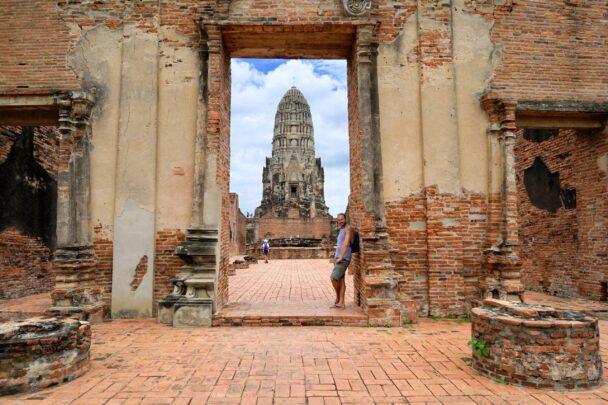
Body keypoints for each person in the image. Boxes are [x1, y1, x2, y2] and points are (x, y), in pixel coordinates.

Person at [330, 213, 354, 309]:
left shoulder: (349, 229)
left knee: (333, 278)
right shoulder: (341, 230)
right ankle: (341, 303)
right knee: (341, 280)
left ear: (345, 218)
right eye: (339, 220)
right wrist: (335, 255)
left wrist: (341, 257)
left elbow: (346, 243)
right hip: (338, 257)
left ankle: (338, 298)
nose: (340, 221)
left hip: (343, 258)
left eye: (342, 219)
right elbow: (340, 244)